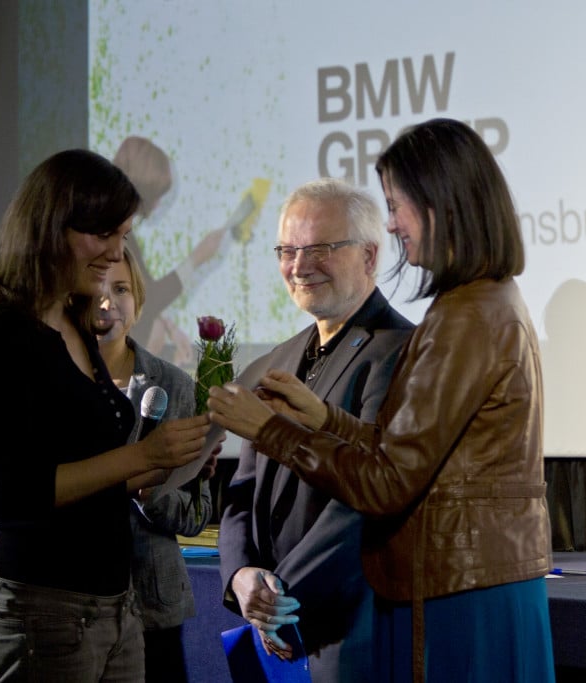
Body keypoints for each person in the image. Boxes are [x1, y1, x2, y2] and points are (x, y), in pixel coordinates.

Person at [208, 119, 555, 683]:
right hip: (468, 583)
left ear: (444, 203)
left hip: (460, 594)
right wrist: (323, 418)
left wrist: (273, 431)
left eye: (398, 205)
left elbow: (388, 482)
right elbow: (406, 450)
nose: (393, 223)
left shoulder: (466, 315)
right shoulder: (480, 303)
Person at [0, 148, 210, 683]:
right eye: (104, 234)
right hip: (40, 615)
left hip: (117, 610)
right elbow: (14, 491)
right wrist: (141, 454)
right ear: (51, 228)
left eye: (122, 235)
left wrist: (177, 458)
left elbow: (95, 473)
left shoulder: (76, 322)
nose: (118, 252)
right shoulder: (3, 334)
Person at [218, 177, 414, 682]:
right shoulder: (277, 359)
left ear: (370, 257)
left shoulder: (402, 351)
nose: (300, 266)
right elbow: (242, 489)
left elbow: (368, 496)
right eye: (288, 250)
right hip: (273, 619)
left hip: (355, 625)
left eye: (321, 248)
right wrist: (242, 577)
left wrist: (280, 592)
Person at [92, 246, 218, 683]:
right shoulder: (56, 382)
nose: (108, 301)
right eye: (97, 288)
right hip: (73, 608)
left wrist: (150, 495)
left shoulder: (174, 385)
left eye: (122, 288)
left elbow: (197, 513)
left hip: (152, 607)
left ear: (139, 299)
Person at [112, 135, 238, 364]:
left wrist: (167, 326)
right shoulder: (117, 235)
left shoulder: (117, 232)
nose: (158, 205)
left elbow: (143, 294)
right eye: (157, 196)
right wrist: (197, 258)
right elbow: (146, 298)